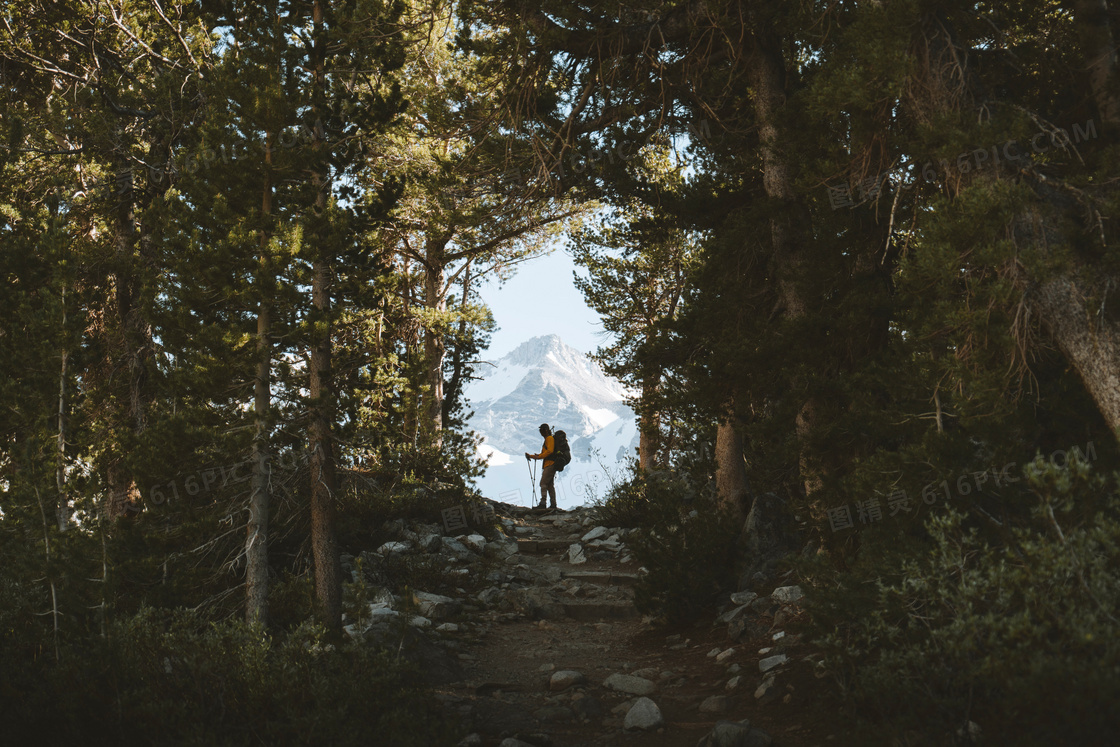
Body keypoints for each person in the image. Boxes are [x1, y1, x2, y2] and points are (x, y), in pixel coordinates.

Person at [525, 423, 557, 510]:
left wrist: (539, 456)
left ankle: (543, 503)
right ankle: (553, 504)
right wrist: (533, 456)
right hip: (550, 464)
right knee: (550, 485)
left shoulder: (549, 439)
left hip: (550, 464)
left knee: (543, 483)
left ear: (545, 431)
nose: (540, 432)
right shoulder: (548, 439)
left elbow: (549, 451)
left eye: (542, 430)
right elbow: (544, 454)